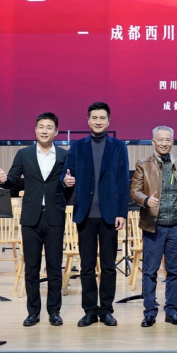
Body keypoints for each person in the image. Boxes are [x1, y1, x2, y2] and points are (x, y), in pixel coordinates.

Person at [0, 112, 70, 328]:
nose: (44, 131)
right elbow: (12, 180)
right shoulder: (24, 154)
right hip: (31, 217)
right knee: (32, 268)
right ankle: (33, 312)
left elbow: (68, 181)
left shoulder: (65, 155)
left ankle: (54, 312)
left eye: (49, 127)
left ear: (56, 132)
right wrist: (3, 180)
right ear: (35, 130)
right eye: (41, 127)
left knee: (54, 267)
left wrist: (68, 182)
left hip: (54, 215)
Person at [62, 102, 129, 328]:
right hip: (85, 214)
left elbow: (123, 180)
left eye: (102, 118)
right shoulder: (77, 146)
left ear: (109, 121)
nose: (98, 121)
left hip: (110, 215)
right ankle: (90, 311)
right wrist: (65, 180)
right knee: (87, 267)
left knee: (109, 266)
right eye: (94, 117)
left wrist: (122, 213)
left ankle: (106, 310)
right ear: (88, 120)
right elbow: (66, 174)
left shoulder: (119, 146)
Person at [130, 125, 177, 327]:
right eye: (160, 140)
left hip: (176, 226)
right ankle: (149, 312)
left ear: (173, 142)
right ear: (153, 142)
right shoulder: (143, 164)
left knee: (174, 272)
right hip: (154, 226)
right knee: (150, 271)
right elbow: (134, 191)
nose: (164, 143)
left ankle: (171, 311)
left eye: (168, 140)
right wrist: (146, 200)